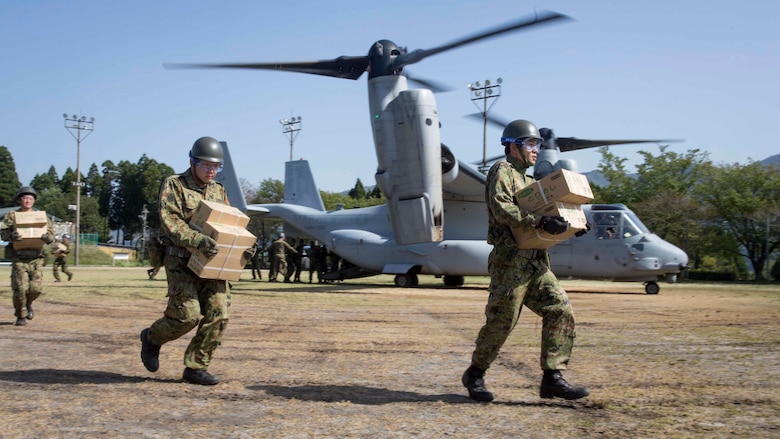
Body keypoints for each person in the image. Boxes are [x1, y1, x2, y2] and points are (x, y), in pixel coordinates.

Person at [462, 120, 590, 402]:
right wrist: (542, 220)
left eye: (538, 145)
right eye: (531, 144)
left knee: (560, 310)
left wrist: (573, 224)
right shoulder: (502, 171)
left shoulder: (532, 182)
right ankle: (475, 373)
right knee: (502, 322)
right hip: (510, 262)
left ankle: (552, 378)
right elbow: (501, 209)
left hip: (536, 262)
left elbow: (551, 213)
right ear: (512, 145)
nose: (536, 150)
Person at [139, 136, 238, 386]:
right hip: (180, 260)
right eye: (206, 165)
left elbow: (229, 223)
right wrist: (197, 239)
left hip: (210, 262)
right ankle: (151, 339)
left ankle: (195, 367)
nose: (212, 171)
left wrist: (245, 245)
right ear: (192, 162)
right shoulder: (174, 185)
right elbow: (170, 222)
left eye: (216, 167)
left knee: (219, 311)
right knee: (187, 316)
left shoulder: (218, 191)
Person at [0, 186, 55, 326]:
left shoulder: (41, 217)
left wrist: (48, 238)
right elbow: (4, 233)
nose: (28, 200)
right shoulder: (12, 215)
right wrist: (11, 236)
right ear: (20, 200)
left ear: (34, 201)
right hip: (19, 258)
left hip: (36, 258)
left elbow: (51, 234)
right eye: (25, 198)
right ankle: (21, 315)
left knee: (36, 289)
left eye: (30, 198)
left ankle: (28, 304)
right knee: (20, 289)